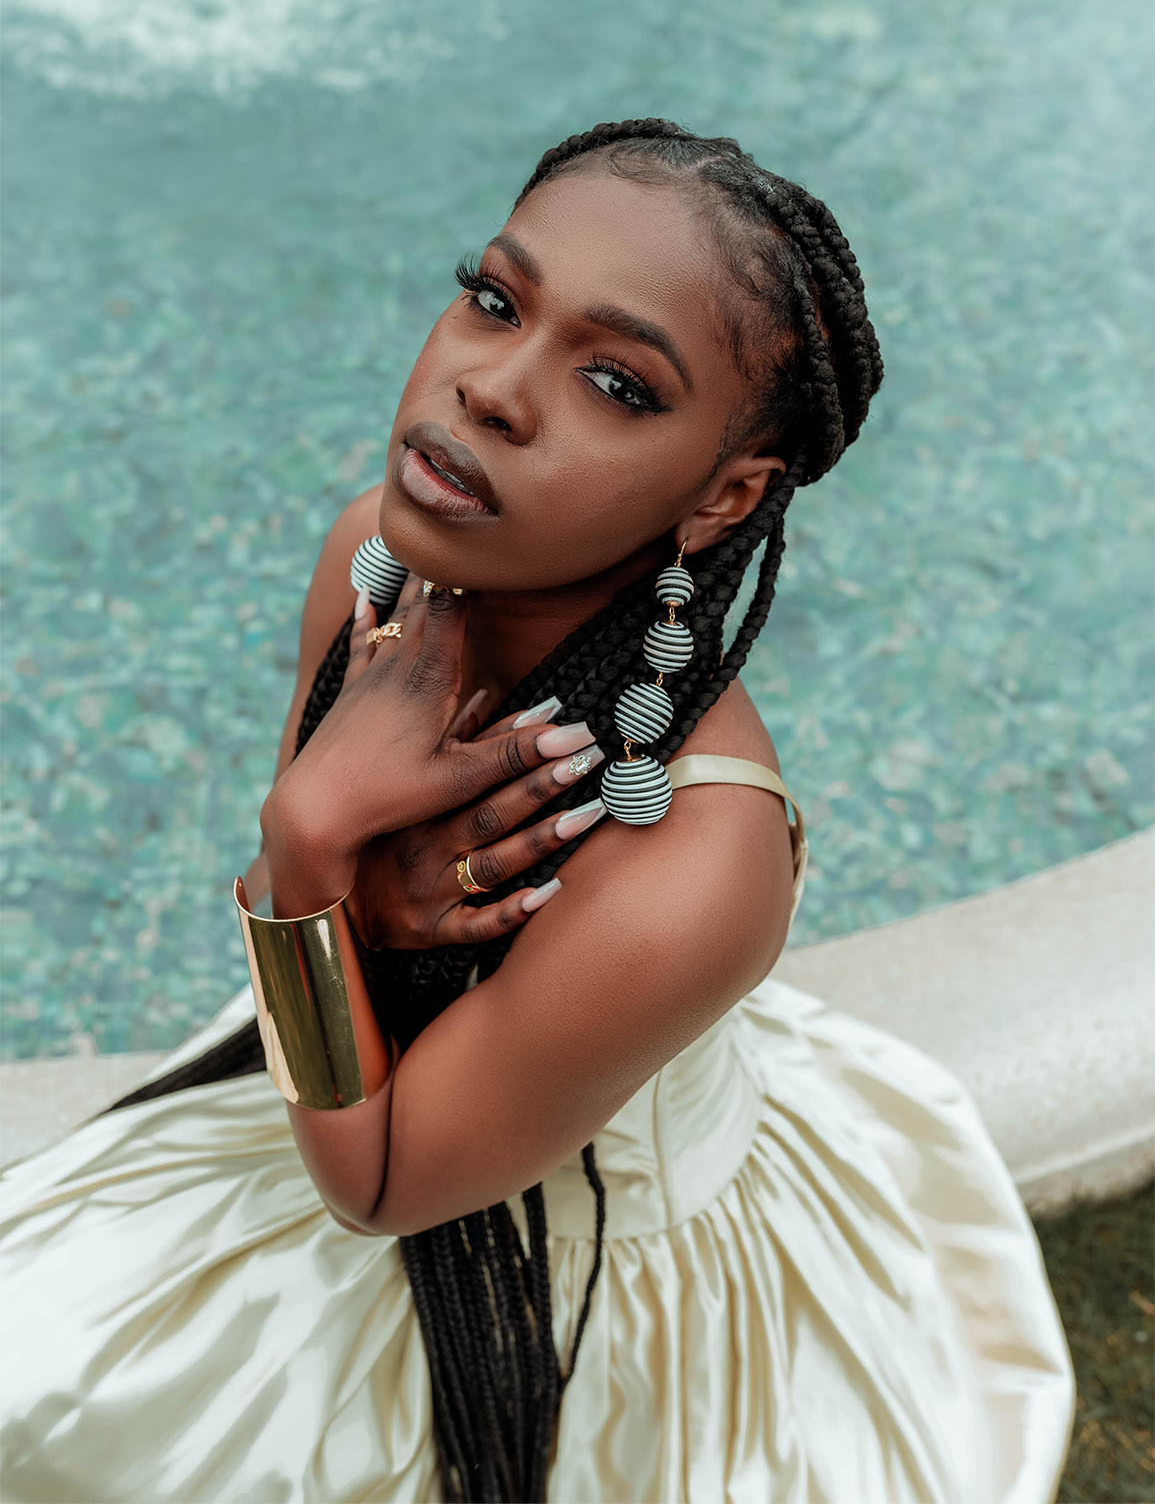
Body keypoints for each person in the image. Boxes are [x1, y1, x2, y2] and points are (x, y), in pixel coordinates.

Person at [0, 120, 1073, 1504]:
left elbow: (381, 1186)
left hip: (560, 1249)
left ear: (725, 495)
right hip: (365, 1087)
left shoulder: (696, 857)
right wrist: (360, 913)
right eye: (494, 298)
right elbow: (335, 978)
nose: (491, 388)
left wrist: (312, 849)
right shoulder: (377, 565)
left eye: (618, 383)